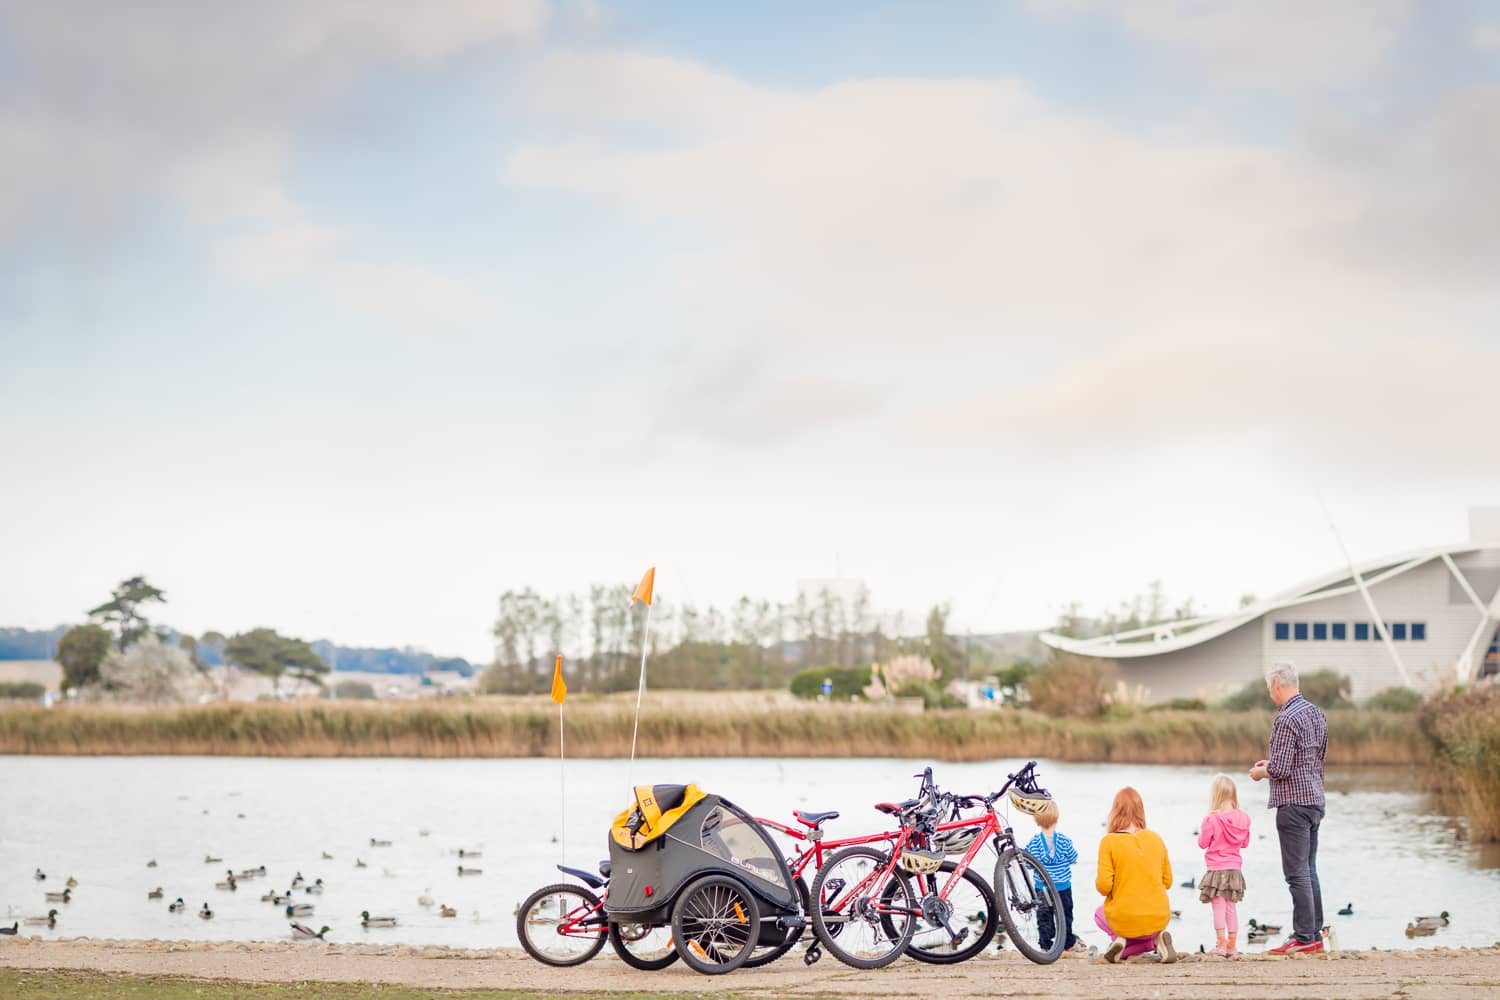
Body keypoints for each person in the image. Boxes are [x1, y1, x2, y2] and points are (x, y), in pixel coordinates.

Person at [1249, 660, 1329, 955]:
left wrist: (1261, 772)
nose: (1271, 694)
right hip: (1315, 799)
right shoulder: (1317, 714)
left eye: (1270, 688)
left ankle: (1304, 937)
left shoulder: (1285, 719)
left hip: (1293, 804)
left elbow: (1281, 768)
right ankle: (1315, 933)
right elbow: (1312, 761)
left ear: (1277, 685)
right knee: (1309, 869)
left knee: (1296, 872)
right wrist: (1270, 765)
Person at [1094, 786, 1177, 964]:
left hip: (1125, 919)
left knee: (1099, 914)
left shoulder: (1108, 842)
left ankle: (1121, 941)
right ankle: (1156, 940)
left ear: (1114, 812)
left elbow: (1103, 886)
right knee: (1145, 926)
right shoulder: (1156, 839)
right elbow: (1168, 881)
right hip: (1158, 917)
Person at [1197, 773, 1251, 957]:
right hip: (1235, 869)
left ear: (1215, 795)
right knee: (1231, 907)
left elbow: (1202, 843)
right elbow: (1244, 843)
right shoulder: (1244, 818)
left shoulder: (1211, 819)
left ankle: (1220, 945)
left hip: (1216, 868)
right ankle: (1232, 946)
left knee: (1218, 907)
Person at [1024, 800, 1086, 956]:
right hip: (1063, 887)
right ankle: (1067, 945)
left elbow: (1028, 864)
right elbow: (1073, 858)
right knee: (1065, 916)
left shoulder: (1034, 843)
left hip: (1042, 888)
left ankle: (1045, 946)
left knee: (1044, 918)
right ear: (1057, 818)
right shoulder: (1064, 841)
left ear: (1036, 820)